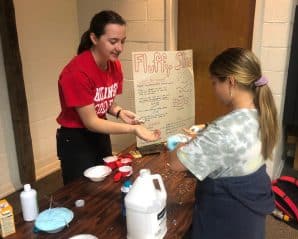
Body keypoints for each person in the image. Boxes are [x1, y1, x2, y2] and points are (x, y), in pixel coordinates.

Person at [168, 48, 278, 239]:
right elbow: (231, 149)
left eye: (214, 83)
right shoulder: (261, 114)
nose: (214, 90)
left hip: (224, 222)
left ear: (231, 82)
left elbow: (176, 163)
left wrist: (178, 143)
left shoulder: (223, 130)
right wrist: (203, 139)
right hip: (249, 222)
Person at [56, 10, 160, 185]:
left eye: (122, 41)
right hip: (76, 138)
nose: (119, 48)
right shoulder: (76, 73)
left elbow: (104, 99)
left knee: (105, 183)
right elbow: (91, 122)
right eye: (113, 41)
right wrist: (133, 129)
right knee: (80, 190)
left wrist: (119, 112)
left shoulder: (114, 65)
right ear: (94, 39)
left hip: (100, 134)